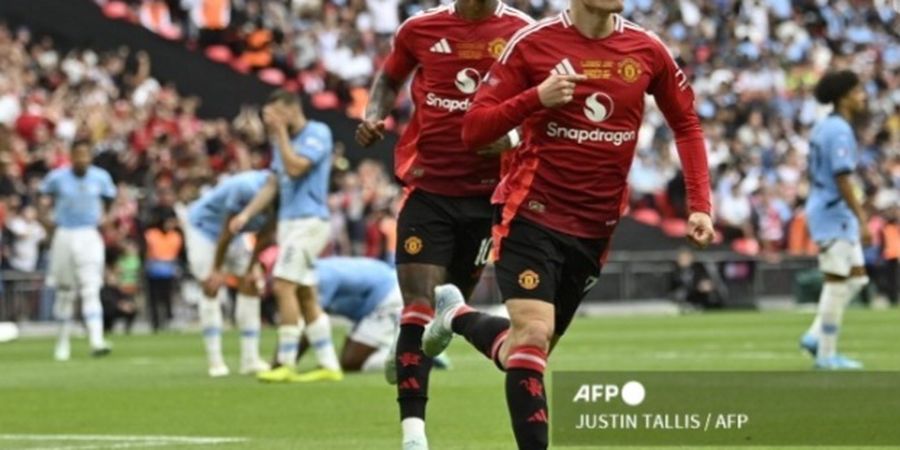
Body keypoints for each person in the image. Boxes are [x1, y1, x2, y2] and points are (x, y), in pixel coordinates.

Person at [422, 2, 715, 448]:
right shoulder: (532, 44)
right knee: (532, 337)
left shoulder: (647, 48)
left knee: (522, 352)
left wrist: (700, 204)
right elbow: (474, 130)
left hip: (595, 226)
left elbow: (686, 123)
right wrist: (535, 98)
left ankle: (457, 316)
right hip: (530, 214)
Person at [355, 1, 532, 447]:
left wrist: (510, 138)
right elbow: (389, 78)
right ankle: (414, 435)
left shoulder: (523, 32)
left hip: (486, 197)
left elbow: (543, 110)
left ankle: (418, 344)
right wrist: (374, 113)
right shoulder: (421, 28)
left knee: (442, 317)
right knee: (418, 304)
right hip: (428, 190)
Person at [230, 90, 338, 383]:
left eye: (275, 113)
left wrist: (279, 134)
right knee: (305, 292)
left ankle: (287, 361)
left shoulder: (318, 133)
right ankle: (329, 363)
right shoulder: (283, 142)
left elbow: (296, 166)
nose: (271, 120)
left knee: (282, 284)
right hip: (290, 223)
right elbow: (273, 183)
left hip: (310, 221)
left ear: (291, 110)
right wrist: (246, 214)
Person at [799, 70, 871, 370]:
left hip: (826, 207)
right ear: (843, 97)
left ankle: (816, 335)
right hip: (834, 213)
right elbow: (842, 177)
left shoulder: (823, 127)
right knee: (837, 281)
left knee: (857, 278)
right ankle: (826, 356)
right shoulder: (840, 130)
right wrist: (862, 217)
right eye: (857, 91)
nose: (862, 96)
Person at [183, 170, 273, 377]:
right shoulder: (245, 188)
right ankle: (215, 360)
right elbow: (227, 231)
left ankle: (250, 359)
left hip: (237, 234)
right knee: (211, 285)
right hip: (204, 229)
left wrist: (252, 267)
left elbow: (266, 234)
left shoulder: (286, 193)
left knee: (252, 284)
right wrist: (216, 269)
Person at [41, 139, 117, 360]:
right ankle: (62, 342)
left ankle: (96, 339)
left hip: (89, 233)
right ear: (71, 156)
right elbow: (41, 196)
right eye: (78, 155)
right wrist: (45, 220)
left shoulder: (101, 177)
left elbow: (110, 199)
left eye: (85, 155)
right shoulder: (57, 177)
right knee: (65, 291)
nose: (82, 159)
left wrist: (107, 218)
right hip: (64, 233)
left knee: (91, 286)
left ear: (90, 156)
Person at [264, 257, 403, 373]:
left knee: (352, 362)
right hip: (371, 300)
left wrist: (281, 363)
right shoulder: (307, 275)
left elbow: (309, 326)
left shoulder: (319, 280)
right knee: (348, 360)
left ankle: (407, 355)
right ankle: (394, 345)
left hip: (387, 295)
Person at [143, 211, 183, 332]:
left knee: (168, 298)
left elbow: (178, 254)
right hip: (154, 270)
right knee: (153, 299)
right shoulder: (151, 234)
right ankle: (155, 324)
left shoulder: (176, 235)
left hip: (169, 270)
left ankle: (168, 321)